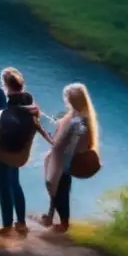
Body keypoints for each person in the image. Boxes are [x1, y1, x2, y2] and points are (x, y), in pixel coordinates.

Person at [0, 68, 46, 235]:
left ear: (5, 85)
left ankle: (7, 226)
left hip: (4, 154)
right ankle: (21, 223)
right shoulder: (30, 103)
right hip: (20, 152)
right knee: (15, 184)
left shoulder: (8, 112)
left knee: (3, 188)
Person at [41, 83, 99, 233]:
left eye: (66, 98)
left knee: (59, 190)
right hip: (70, 159)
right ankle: (52, 216)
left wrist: (41, 130)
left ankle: (62, 223)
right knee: (60, 189)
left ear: (72, 101)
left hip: (66, 162)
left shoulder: (76, 122)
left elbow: (60, 144)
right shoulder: (84, 117)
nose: (65, 100)